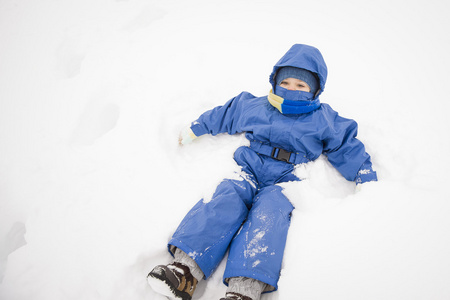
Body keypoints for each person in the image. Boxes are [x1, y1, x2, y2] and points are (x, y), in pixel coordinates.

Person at [147, 44, 377, 300]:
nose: (291, 89)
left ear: (315, 90)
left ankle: (243, 291)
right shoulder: (256, 106)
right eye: (286, 82)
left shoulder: (324, 118)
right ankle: (184, 270)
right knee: (224, 198)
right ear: (275, 81)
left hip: (287, 177)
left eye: (301, 86)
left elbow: (346, 146)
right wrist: (197, 128)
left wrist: (364, 176)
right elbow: (227, 114)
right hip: (250, 165)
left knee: (269, 217)